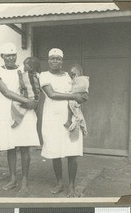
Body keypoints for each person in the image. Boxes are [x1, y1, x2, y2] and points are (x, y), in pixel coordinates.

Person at [39, 48, 88, 197]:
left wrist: (81, 96)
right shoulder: (44, 75)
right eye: (52, 58)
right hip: (52, 118)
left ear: (62, 61)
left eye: (58, 58)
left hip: (71, 117)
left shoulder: (68, 75)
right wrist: (73, 96)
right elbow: (51, 94)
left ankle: (71, 187)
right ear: (48, 60)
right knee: (55, 152)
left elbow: (81, 90)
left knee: (72, 152)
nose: (55, 61)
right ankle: (60, 183)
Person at [0, 43, 40, 195]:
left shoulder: (24, 68)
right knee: (11, 147)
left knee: (25, 146)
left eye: (13, 55)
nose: (11, 58)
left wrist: (31, 101)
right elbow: (6, 92)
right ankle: (13, 179)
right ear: (2, 57)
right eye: (8, 55)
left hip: (25, 112)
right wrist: (27, 101)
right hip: (6, 112)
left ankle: (24, 180)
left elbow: (33, 84)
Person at [11, 57, 41, 128]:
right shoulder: (29, 75)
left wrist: (20, 75)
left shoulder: (36, 75)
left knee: (17, 104)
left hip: (32, 96)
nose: (23, 67)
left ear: (30, 67)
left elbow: (39, 85)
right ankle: (18, 118)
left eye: (25, 66)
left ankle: (17, 119)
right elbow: (22, 84)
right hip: (29, 96)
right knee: (21, 105)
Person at [64, 64, 89, 136]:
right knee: (74, 110)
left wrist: (70, 93)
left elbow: (80, 89)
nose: (72, 76)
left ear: (80, 73)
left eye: (74, 74)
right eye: (71, 74)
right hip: (76, 97)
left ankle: (75, 122)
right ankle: (81, 125)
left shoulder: (82, 79)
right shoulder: (76, 80)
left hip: (79, 96)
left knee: (74, 109)